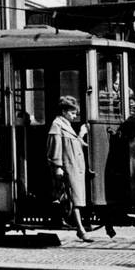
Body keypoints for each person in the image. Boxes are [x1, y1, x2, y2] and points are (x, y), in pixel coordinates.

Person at [47, 96, 90, 242]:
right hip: (68, 167)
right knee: (74, 199)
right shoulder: (57, 125)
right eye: (72, 113)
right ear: (64, 111)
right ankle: (80, 229)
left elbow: (74, 144)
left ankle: (79, 227)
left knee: (75, 198)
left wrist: (81, 135)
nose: (75, 116)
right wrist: (58, 166)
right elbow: (55, 147)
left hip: (74, 166)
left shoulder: (66, 125)